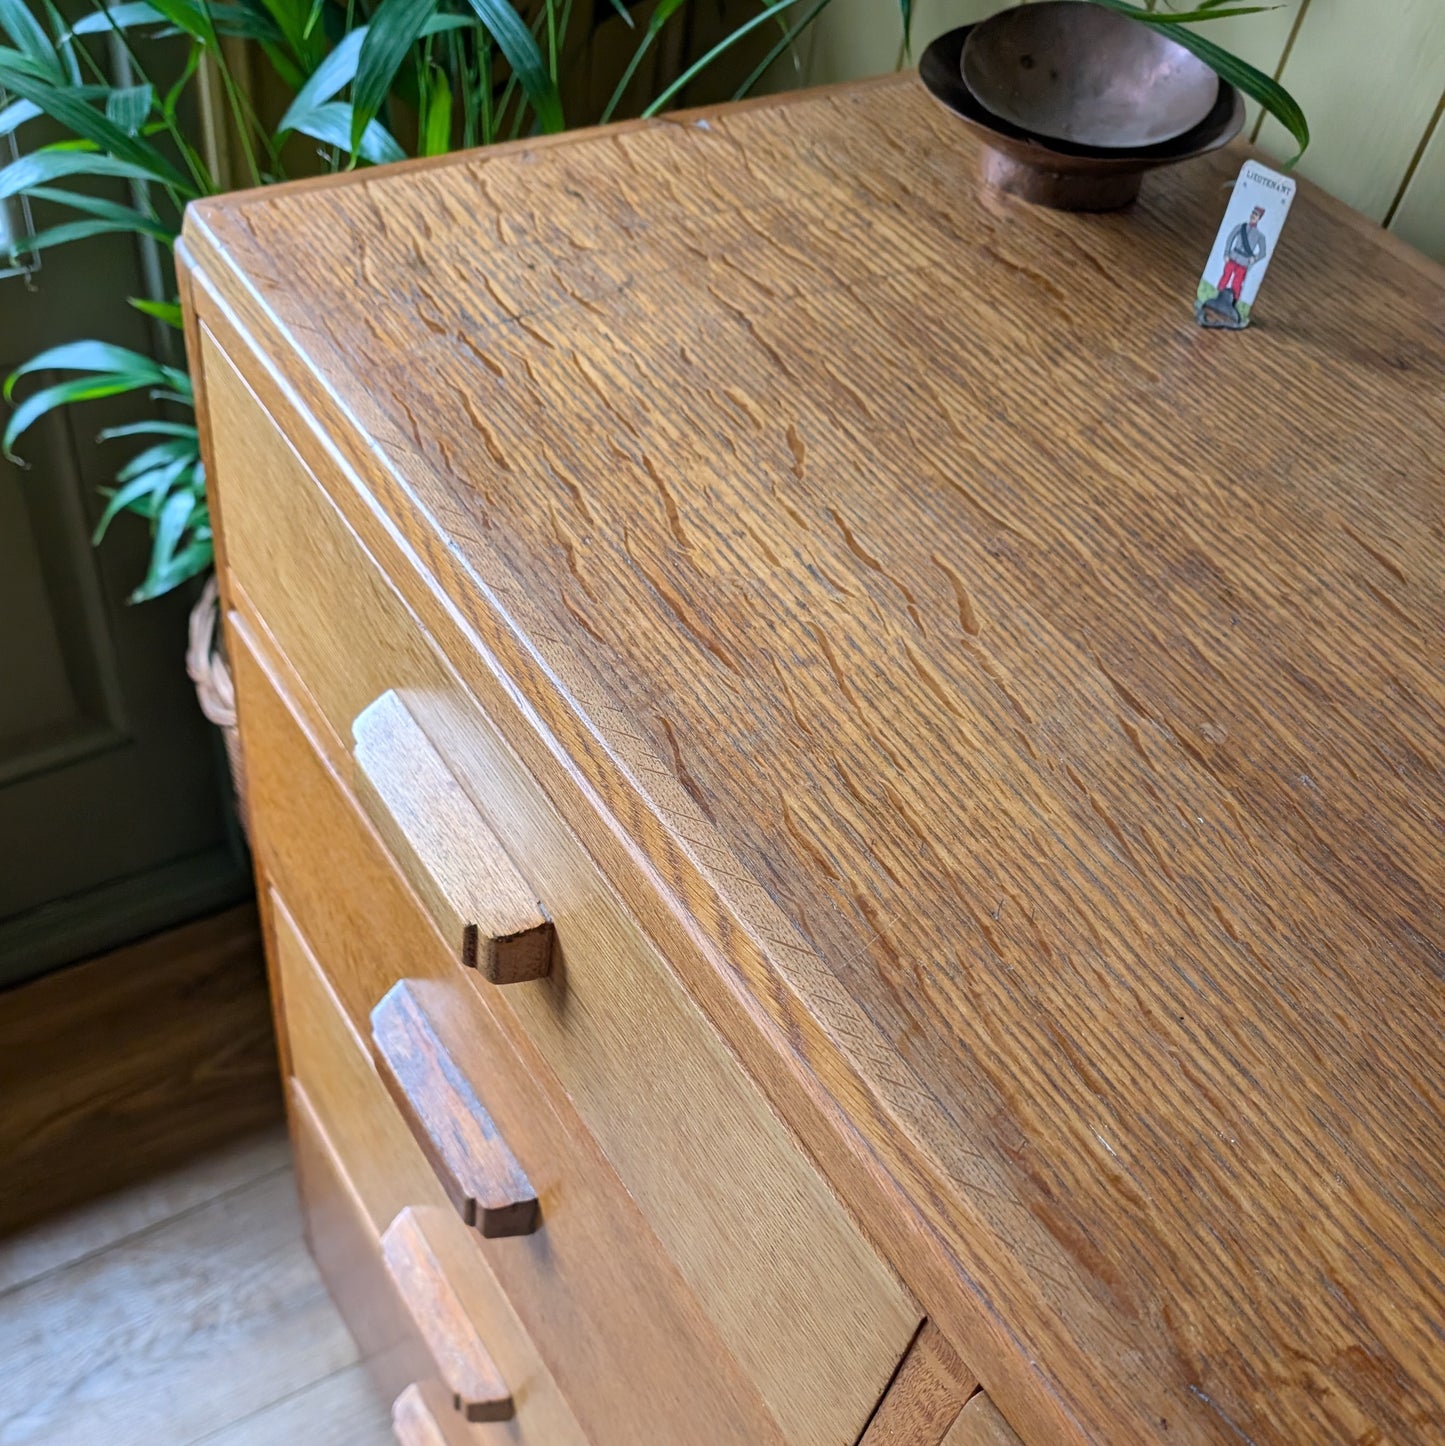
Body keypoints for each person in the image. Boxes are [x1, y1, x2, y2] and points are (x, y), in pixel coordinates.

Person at [1218, 206, 1268, 303]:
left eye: (1256, 215)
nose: (1253, 215)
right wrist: (1226, 252)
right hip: (1233, 257)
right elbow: (1230, 238)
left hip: (1244, 262)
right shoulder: (1241, 227)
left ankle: (1233, 303)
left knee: (1237, 283)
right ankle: (1218, 296)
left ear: (1259, 218)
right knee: (1225, 277)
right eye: (1253, 213)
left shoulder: (1259, 235)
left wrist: (1255, 259)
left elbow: (1263, 253)